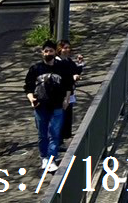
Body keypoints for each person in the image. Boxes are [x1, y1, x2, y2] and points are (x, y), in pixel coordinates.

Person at [24, 40, 70, 171]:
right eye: (45, 51)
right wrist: (31, 98)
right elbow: (28, 87)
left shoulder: (61, 68)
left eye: (50, 51)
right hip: (40, 105)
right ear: (42, 53)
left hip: (57, 105)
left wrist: (66, 100)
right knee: (42, 134)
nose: (48, 53)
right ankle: (44, 157)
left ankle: (52, 158)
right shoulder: (35, 69)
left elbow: (68, 85)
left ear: (55, 52)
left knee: (54, 133)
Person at [56, 40, 85, 140]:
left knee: (67, 117)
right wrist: (72, 78)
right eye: (65, 48)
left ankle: (65, 136)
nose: (67, 50)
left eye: (68, 48)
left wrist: (80, 64)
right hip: (60, 94)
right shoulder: (57, 63)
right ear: (59, 49)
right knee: (60, 118)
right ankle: (59, 140)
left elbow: (75, 71)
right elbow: (61, 77)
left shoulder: (68, 61)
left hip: (69, 93)